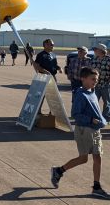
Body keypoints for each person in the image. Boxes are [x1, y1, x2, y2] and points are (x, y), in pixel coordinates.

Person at [51, 67, 109, 198]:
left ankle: (96, 187)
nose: (95, 81)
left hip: (95, 129)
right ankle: (59, 171)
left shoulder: (92, 92)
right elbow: (75, 114)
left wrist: (101, 120)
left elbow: (95, 110)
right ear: (83, 78)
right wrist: (91, 120)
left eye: (97, 79)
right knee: (83, 159)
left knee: (98, 157)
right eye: (93, 79)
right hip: (84, 130)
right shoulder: (80, 94)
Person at [91, 44, 110, 121]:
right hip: (95, 85)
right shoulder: (94, 59)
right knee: (94, 101)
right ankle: (95, 116)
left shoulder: (109, 59)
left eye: (96, 49)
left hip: (106, 85)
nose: (94, 51)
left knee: (107, 103)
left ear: (101, 50)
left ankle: (105, 117)